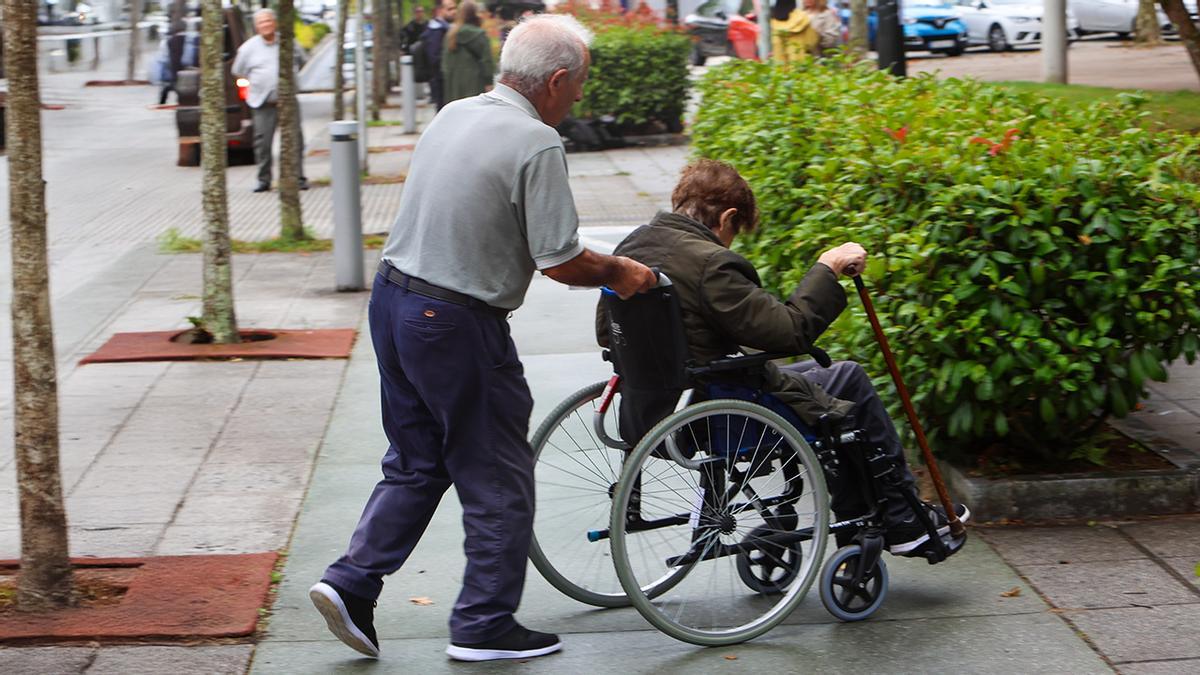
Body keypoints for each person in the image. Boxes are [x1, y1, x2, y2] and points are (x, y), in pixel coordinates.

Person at [308, 13, 657, 663]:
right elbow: (560, 260)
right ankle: (483, 621)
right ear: (555, 80)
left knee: (417, 460)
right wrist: (621, 272)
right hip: (455, 321)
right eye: (578, 84)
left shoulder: (455, 112)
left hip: (392, 300)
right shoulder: (536, 142)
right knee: (497, 472)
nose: (579, 96)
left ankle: (349, 582)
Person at [596, 159, 969, 556]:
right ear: (728, 217)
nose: (732, 241)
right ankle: (902, 519)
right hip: (717, 408)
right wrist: (828, 267)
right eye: (735, 231)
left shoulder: (634, 245)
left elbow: (607, 331)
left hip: (649, 406)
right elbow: (790, 332)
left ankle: (880, 515)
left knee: (820, 379)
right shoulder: (711, 263)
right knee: (847, 379)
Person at [231, 8, 308, 193]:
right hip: (263, 103)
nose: (265, 25)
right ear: (257, 27)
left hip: (288, 101)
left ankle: (297, 177)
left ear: (275, 23)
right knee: (263, 143)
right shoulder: (248, 48)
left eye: (268, 21)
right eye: (261, 22)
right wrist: (255, 84)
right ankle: (264, 179)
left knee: (295, 140)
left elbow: (303, 60)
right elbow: (237, 71)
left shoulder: (288, 42)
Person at [441, 1, 494, 106]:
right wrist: (489, 82)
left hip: (453, 86)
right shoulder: (479, 35)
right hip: (475, 84)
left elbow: (444, 64)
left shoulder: (450, 35)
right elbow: (487, 61)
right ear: (475, 14)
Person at [420, 1, 454, 109]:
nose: (454, 12)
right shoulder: (436, 30)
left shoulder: (444, 27)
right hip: (441, 81)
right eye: (449, 9)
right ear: (440, 10)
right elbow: (434, 57)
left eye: (455, 8)